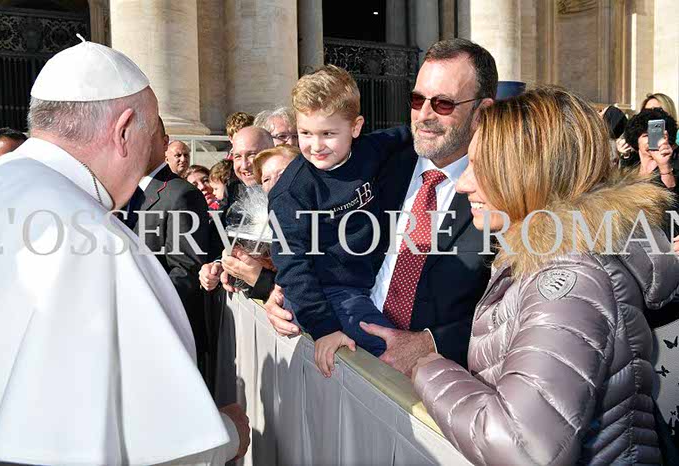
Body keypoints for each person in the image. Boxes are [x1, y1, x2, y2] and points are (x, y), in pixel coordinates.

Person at [0, 39, 248, 465]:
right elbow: (162, 448)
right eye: (150, 133)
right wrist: (231, 435)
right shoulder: (99, 241)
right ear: (123, 131)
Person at [412, 86, 679, 465]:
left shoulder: (569, 277)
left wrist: (427, 368)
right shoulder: (550, 254)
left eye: (481, 166)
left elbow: (523, 448)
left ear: (532, 173)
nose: (463, 183)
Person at [264, 38, 494, 376]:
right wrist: (287, 296)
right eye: (417, 100)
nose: (424, 116)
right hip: (341, 341)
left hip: (444, 385)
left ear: (482, 112)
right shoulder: (388, 162)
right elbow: (293, 256)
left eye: (443, 103)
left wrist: (432, 344)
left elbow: (518, 318)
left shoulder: (504, 192)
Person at [268, 64, 411, 373]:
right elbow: (292, 265)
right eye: (306, 133)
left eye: (328, 134)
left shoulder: (371, 149)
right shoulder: (291, 192)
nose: (315, 145)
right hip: (326, 293)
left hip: (368, 280)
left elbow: (409, 135)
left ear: (355, 128)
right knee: (391, 347)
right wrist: (325, 328)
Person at [126, 117, 213, 377]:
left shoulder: (181, 194)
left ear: (164, 143)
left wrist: (143, 311)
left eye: (146, 137)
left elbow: (186, 270)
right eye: (130, 138)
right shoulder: (123, 192)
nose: (137, 145)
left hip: (167, 334)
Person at [198, 126, 277, 301]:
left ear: (270, 153)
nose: (244, 165)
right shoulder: (235, 189)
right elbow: (223, 244)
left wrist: (263, 281)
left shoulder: (291, 192)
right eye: (237, 156)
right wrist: (218, 266)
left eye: (252, 155)